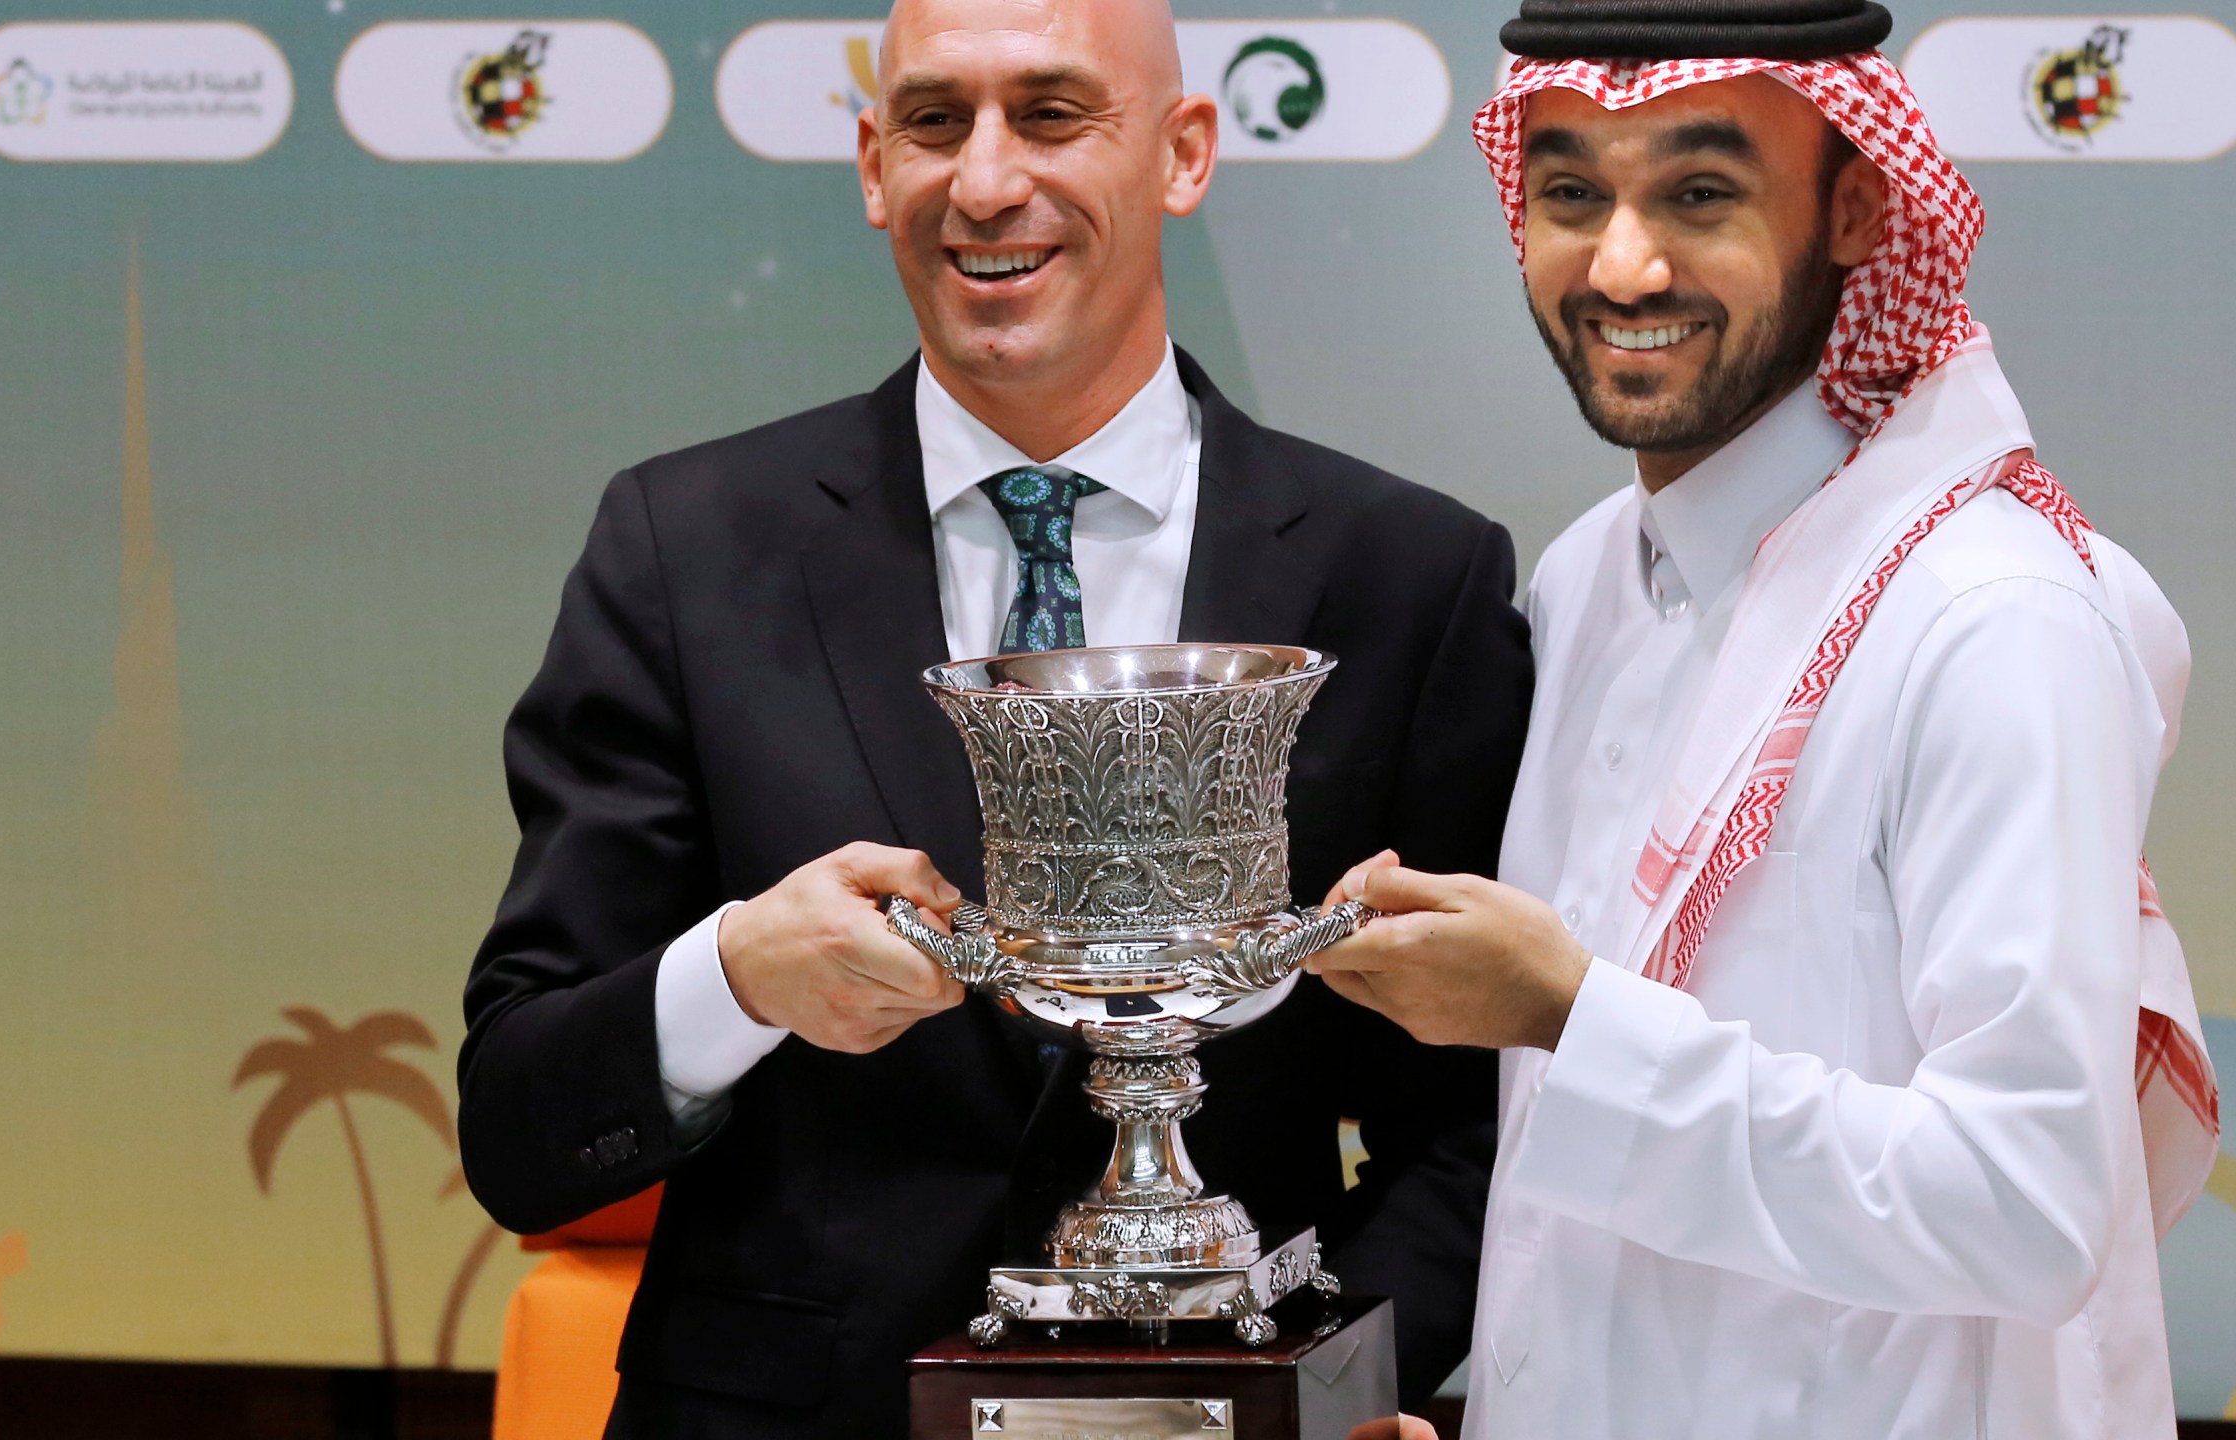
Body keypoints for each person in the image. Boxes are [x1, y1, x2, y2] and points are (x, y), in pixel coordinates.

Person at [454, 0, 1533, 1433]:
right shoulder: (686, 547)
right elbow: (521, 1123)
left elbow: (1468, 1122)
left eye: (1051, 113)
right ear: (869, 166)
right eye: (932, 121)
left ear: (1185, 152)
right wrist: (736, 978)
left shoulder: (1405, 575)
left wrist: (1342, 1378)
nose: (983, 182)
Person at [1309, 1, 2220, 1435]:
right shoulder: (1590, 575)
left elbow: (2028, 1203)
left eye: (1700, 192)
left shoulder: (1989, 621)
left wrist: (1569, 1012)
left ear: (1861, 208)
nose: (1622, 262)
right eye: (1570, 194)